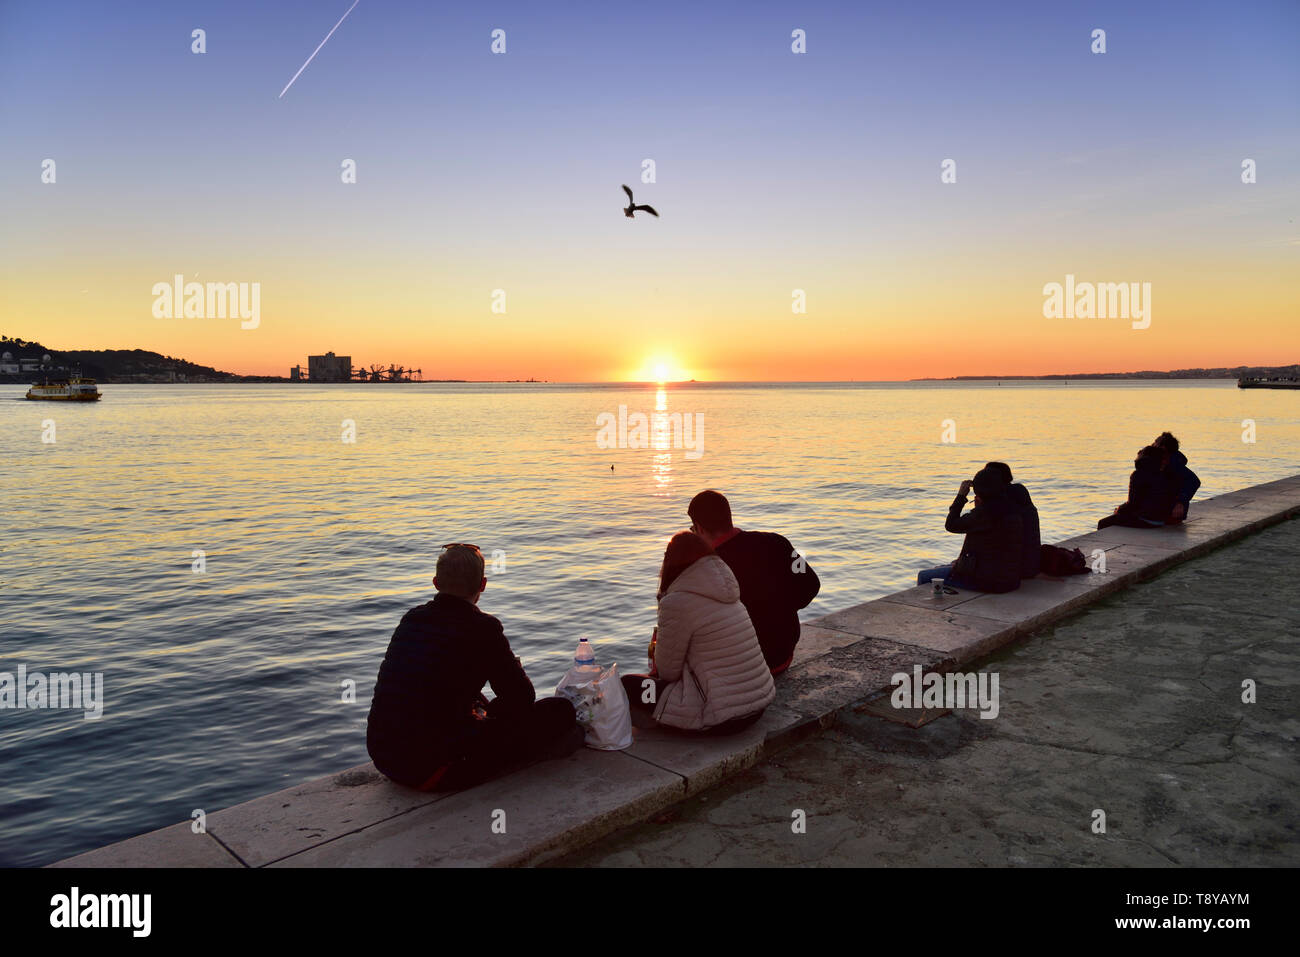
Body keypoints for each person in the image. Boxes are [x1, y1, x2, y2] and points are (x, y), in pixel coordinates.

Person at [366, 543, 583, 791]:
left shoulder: (411, 619)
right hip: (434, 768)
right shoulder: (484, 628)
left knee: (458, 695)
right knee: (560, 712)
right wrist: (493, 714)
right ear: (483, 585)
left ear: (436, 583)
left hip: (386, 758)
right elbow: (522, 696)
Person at [621, 532, 775, 734]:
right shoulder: (729, 593)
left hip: (721, 717)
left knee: (626, 685)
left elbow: (667, 671)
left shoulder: (677, 602)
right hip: (757, 705)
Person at [685, 490, 819, 675]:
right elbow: (811, 585)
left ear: (699, 528)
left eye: (693, 530)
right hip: (781, 656)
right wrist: (779, 611)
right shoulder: (778, 542)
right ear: (728, 516)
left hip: (740, 669)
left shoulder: (706, 568)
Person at [916, 467, 1024, 593]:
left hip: (988, 582)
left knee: (924, 575)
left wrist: (961, 496)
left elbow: (951, 525)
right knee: (946, 566)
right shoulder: (1012, 509)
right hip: (1010, 580)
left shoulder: (985, 514)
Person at [1097, 446, 1180, 529]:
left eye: (1141, 452)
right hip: (1160, 520)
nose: (1138, 453)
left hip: (1146, 520)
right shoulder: (1162, 474)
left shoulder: (1138, 475)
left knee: (1102, 523)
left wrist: (1119, 509)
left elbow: (1133, 503)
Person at [984, 461, 1042, 578]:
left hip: (1011, 571)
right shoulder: (1019, 491)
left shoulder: (1000, 500)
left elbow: (955, 526)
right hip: (1031, 566)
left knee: (937, 574)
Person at [1152, 432, 1200, 523]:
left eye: (1156, 444)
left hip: (1169, 513)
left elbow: (1194, 481)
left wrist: (1180, 502)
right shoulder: (1157, 458)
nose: (1153, 445)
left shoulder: (1174, 463)